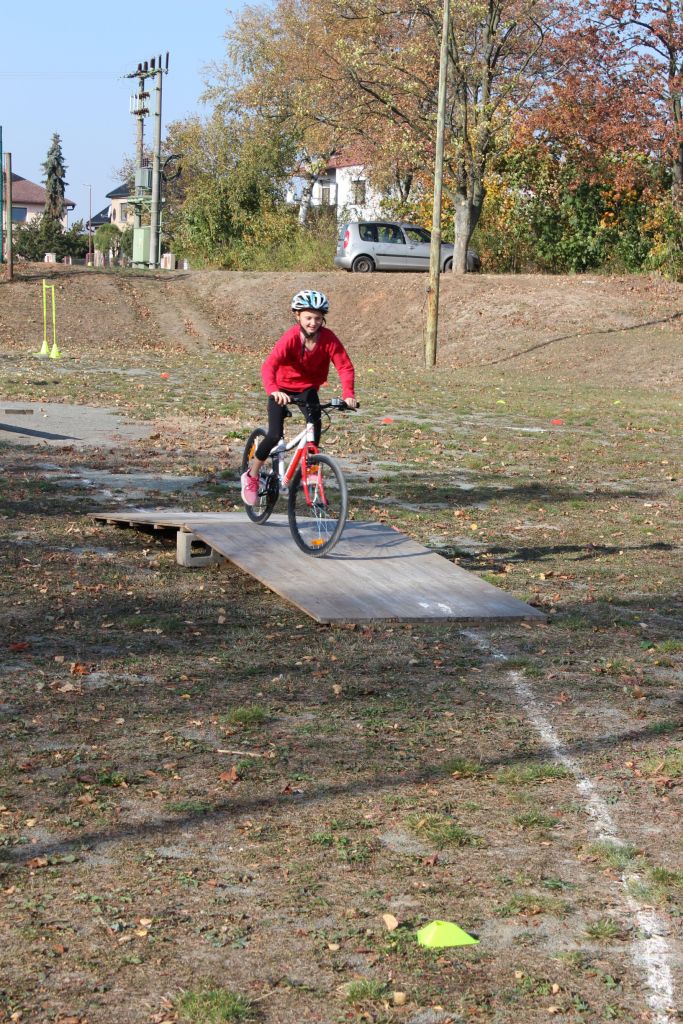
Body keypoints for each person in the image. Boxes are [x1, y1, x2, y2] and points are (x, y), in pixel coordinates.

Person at [241, 289, 357, 505]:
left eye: (318, 318)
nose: (313, 323)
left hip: (307, 389)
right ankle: (252, 475)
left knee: (315, 430)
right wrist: (274, 390)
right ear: (298, 316)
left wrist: (348, 394)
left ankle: (311, 475)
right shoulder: (291, 338)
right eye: (308, 318)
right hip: (281, 388)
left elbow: (344, 366)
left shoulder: (328, 339)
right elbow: (270, 365)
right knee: (274, 435)